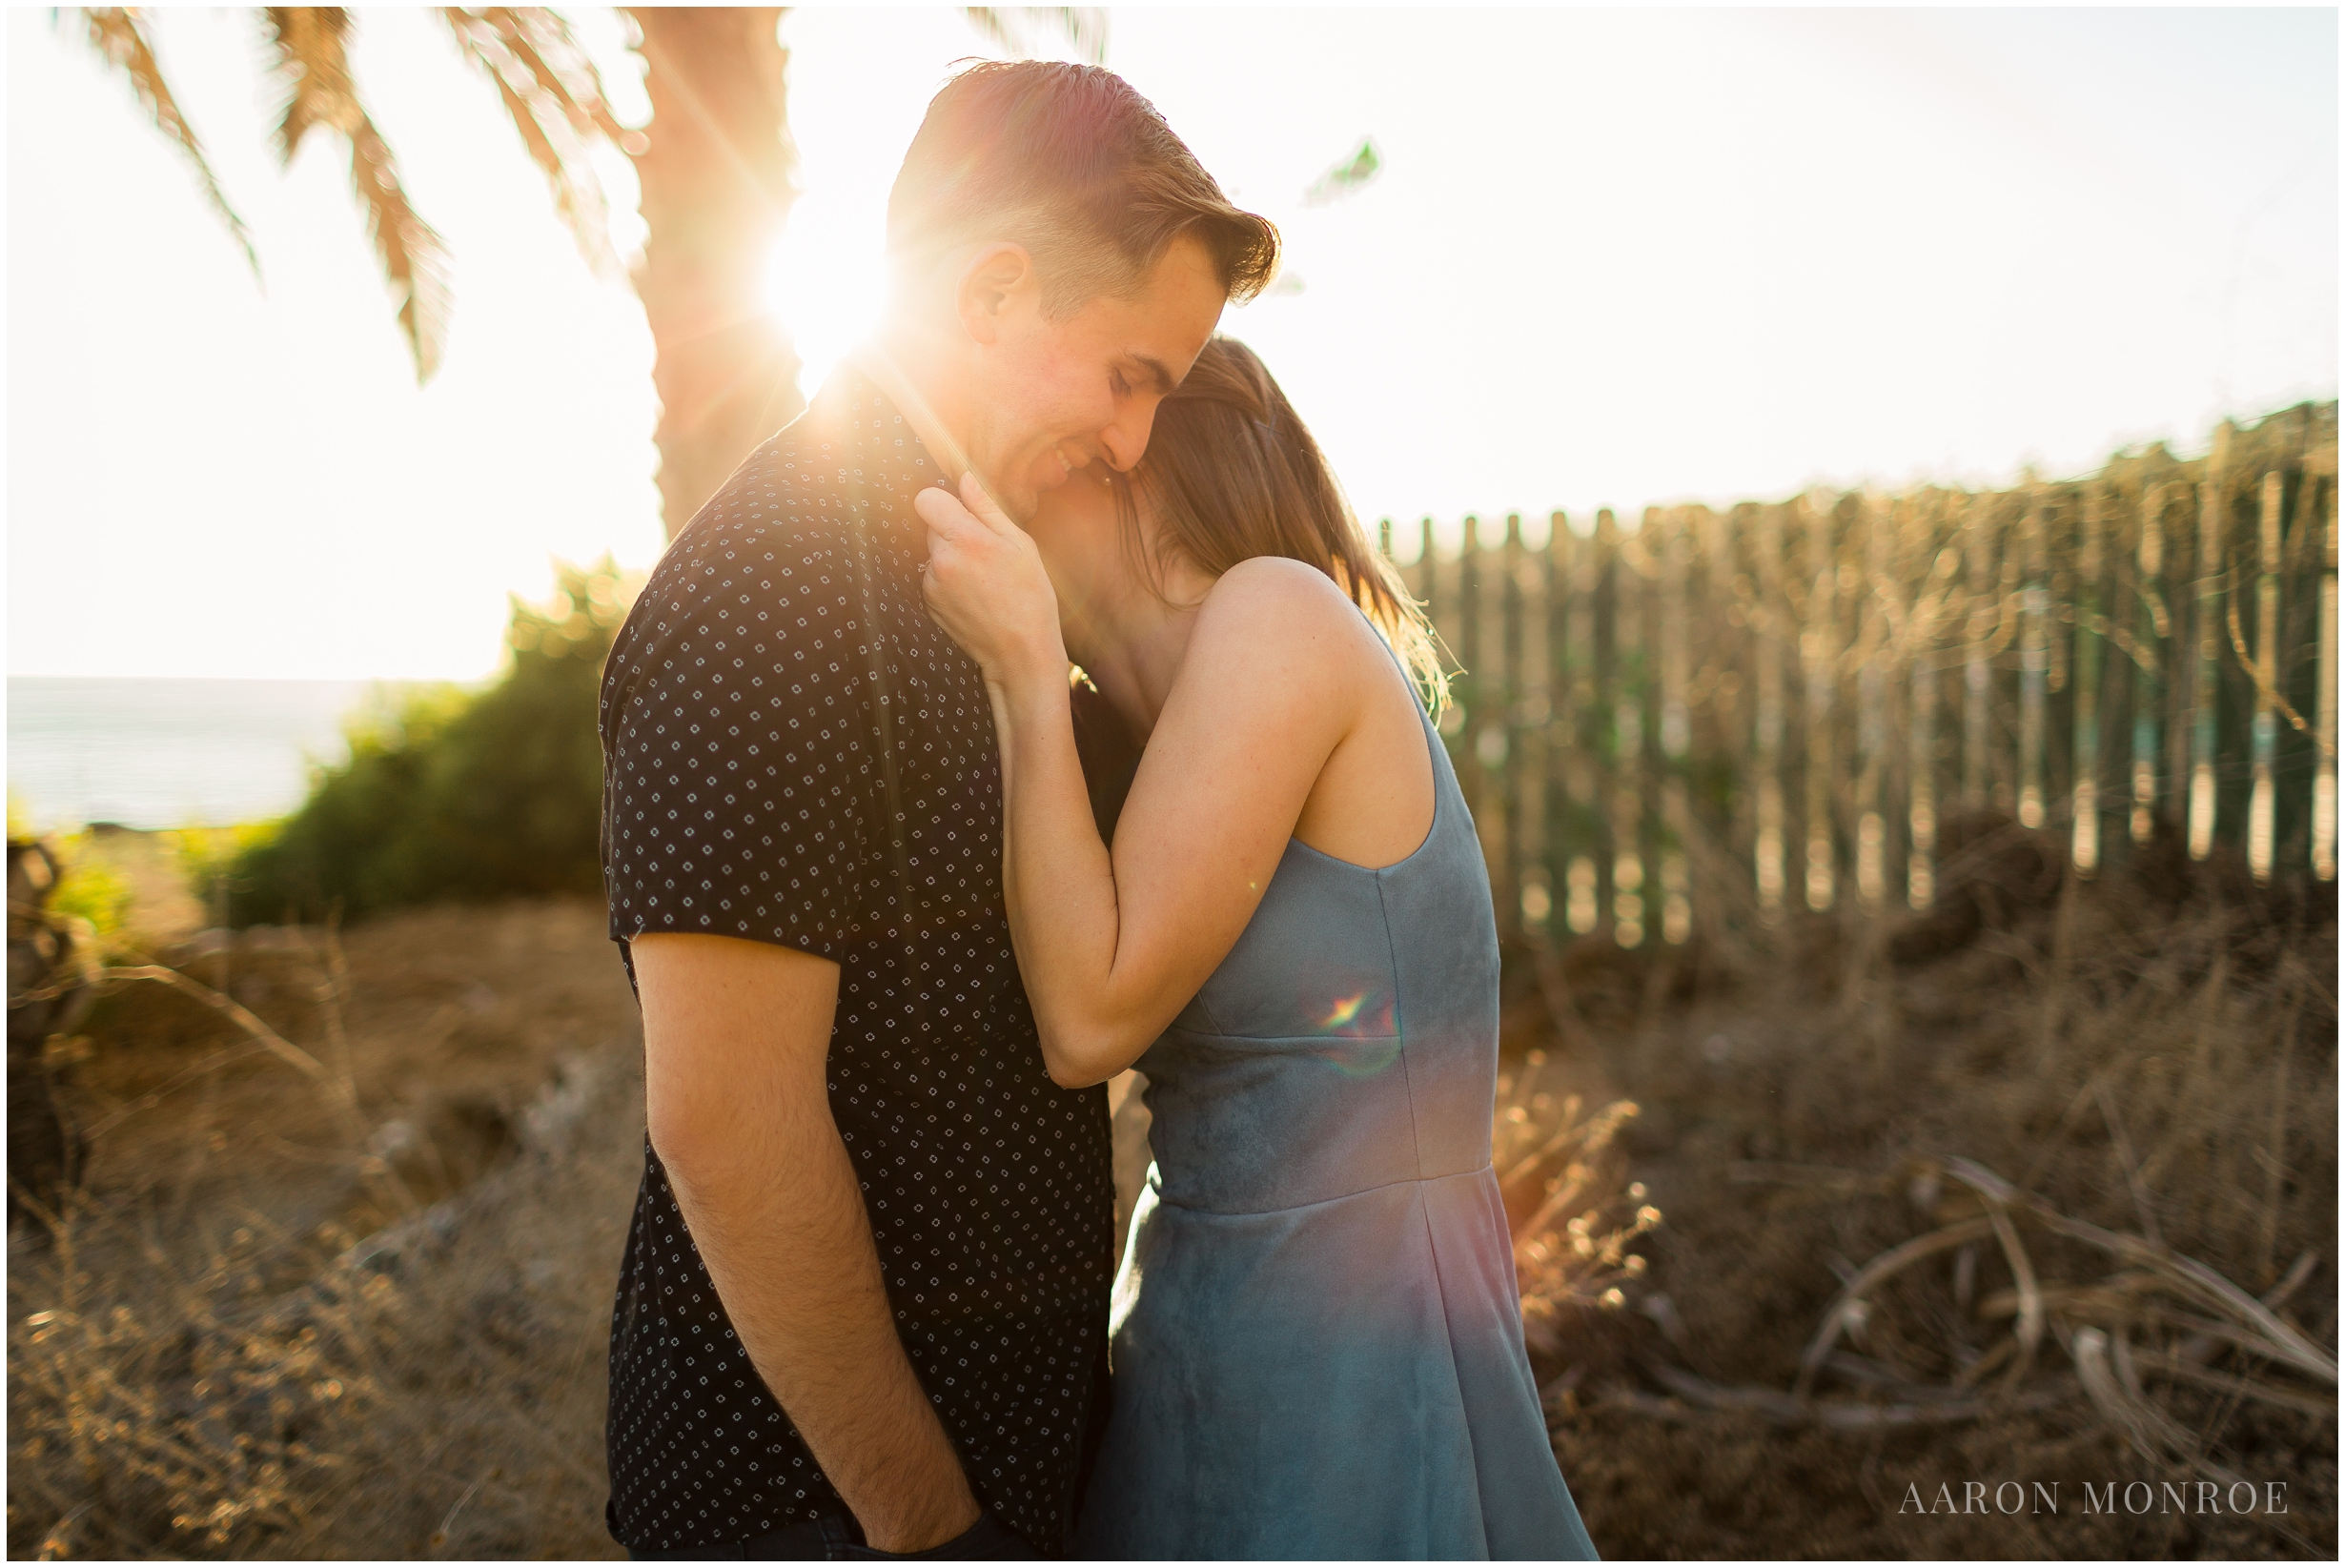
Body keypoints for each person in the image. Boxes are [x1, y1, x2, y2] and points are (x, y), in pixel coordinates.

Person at [595, 62, 1275, 1559]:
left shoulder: (962, 572)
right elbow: (726, 1126)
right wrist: (933, 1526)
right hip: (816, 1504)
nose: (1134, 443)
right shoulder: (773, 588)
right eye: (1128, 376)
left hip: (996, 1465)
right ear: (990, 292)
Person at [914, 337, 1603, 1559]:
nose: (998, 489)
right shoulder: (1155, 731)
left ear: (1124, 461)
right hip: (1197, 1331)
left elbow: (1086, 1023)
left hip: (1350, 1373)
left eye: (1044, 451)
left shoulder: (1279, 614)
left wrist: (1023, 671)